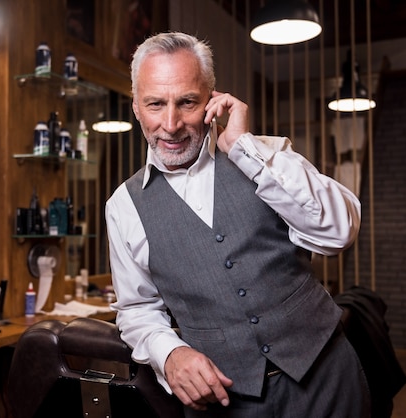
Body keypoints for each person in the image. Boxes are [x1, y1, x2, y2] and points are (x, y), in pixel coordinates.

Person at [105, 32, 370, 417]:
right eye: (155, 104)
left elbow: (338, 231)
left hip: (327, 381)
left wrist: (246, 149)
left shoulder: (265, 156)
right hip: (227, 404)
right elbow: (137, 309)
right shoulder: (123, 206)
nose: (171, 123)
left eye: (187, 102)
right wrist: (170, 353)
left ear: (213, 100)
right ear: (136, 108)